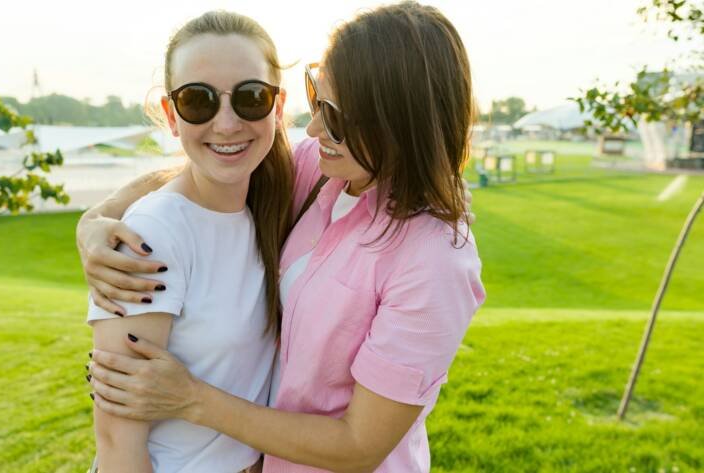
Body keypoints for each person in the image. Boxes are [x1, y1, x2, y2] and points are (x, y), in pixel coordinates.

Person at [83, 3, 485, 471]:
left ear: (401, 123)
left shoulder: (435, 260)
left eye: (334, 117)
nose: (314, 129)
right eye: (317, 100)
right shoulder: (325, 171)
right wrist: (96, 219)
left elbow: (360, 445)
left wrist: (192, 399)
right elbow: (219, 163)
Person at [84, 10, 294, 472]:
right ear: (171, 115)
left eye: (251, 97)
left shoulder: (269, 201)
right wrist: (97, 218)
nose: (226, 124)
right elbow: (117, 442)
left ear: (277, 109)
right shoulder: (151, 236)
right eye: (198, 101)